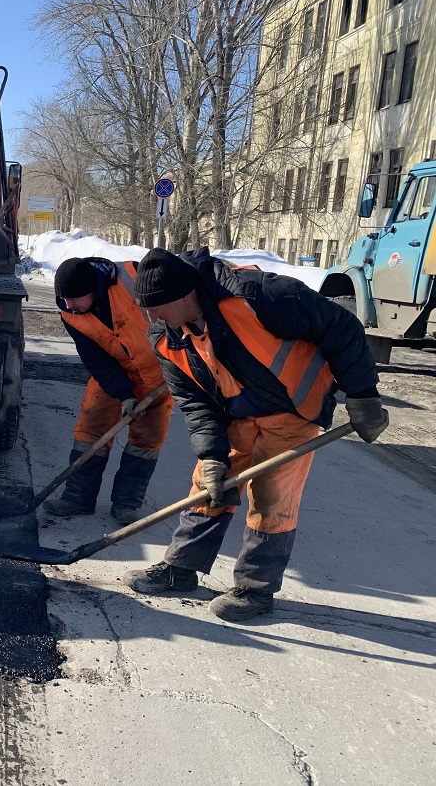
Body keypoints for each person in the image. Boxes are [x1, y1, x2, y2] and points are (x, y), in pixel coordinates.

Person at [124, 247, 389, 621]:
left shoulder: (261, 296)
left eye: (159, 307)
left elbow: (341, 328)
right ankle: (181, 569)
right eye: (146, 309)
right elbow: (195, 402)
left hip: (293, 410)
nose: (152, 317)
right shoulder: (166, 336)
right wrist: (213, 455)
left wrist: (363, 397)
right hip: (237, 412)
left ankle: (255, 591)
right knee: (208, 485)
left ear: (187, 296)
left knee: (271, 498)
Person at [43, 257, 175, 524]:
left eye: (75, 299)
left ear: (93, 288)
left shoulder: (133, 281)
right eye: (65, 299)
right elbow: (96, 360)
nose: (69, 306)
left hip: (159, 374)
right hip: (115, 371)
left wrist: (182, 365)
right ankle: (77, 498)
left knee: (146, 441)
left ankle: (126, 504)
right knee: (90, 429)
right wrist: (124, 394)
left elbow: (179, 316)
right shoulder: (69, 310)